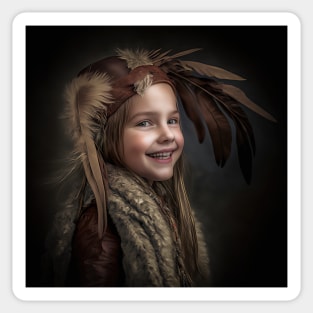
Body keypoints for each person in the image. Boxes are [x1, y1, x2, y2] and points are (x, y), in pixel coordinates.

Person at [43, 48, 276, 287]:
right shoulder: (100, 233)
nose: (167, 135)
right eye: (145, 123)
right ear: (104, 137)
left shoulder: (157, 205)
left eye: (172, 120)